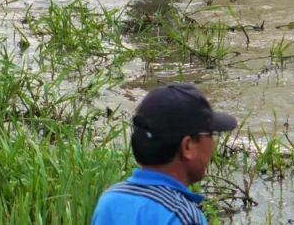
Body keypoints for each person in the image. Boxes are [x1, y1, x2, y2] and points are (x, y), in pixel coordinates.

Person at [92, 82, 237, 225]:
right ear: (187, 146)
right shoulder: (182, 216)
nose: (213, 144)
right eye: (211, 134)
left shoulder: (110, 201)